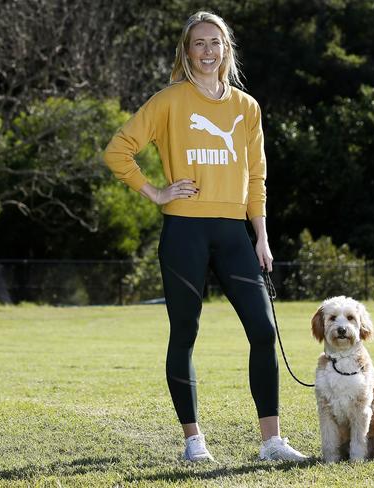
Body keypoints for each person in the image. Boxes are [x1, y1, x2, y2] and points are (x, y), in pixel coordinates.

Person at [103, 10, 307, 463]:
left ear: (226, 49)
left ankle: (271, 442)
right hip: (185, 231)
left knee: (263, 329)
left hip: (236, 233)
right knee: (185, 333)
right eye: (199, 42)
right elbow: (118, 151)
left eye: (215, 42)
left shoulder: (246, 107)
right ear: (187, 50)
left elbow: (257, 177)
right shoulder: (169, 101)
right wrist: (156, 192)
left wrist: (262, 236)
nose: (208, 50)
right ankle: (193, 441)